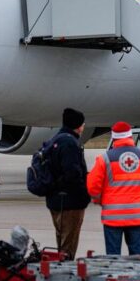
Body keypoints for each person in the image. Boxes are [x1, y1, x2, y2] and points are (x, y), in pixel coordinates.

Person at [87, 121, 140, 255]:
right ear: (130, 137)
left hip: (112, 217)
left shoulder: (104, 158)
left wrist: (100, 200)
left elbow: (93, 186)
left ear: (114, 138)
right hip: (137, 215)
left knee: (113, 256)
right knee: (136, 254)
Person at [45, 108, 91, 260]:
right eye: (83, 124)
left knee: (62, 243)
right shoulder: (69, 143)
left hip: (56, 201)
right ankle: (64, 278)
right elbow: (72, 174)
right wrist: (84, 195)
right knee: (67, 249)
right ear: (78, 126)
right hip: (69, 202)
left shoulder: (56, 139)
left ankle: (60, 273)